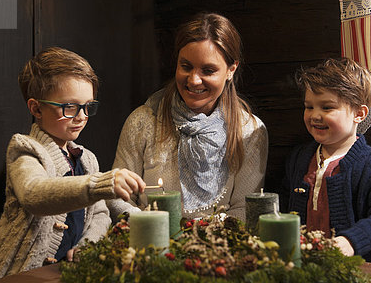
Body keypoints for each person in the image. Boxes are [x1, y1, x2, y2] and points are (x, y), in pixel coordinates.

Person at [0, 47, 145, 283]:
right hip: (14, 278)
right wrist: (102, 183)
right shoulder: (26, 150)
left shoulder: (87, 159)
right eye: (69, 107)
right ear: (36, 108)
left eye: (88, 106)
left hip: (58, 280)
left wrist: (87, 244)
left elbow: (100, 213)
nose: (81, 116)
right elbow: (35, 193)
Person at [110, 13, 268, 221]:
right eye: (186, 66)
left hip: (220, 248)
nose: (194, 80)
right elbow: (117, 196)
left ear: (231, 69)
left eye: (208, 70)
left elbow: (244, 208)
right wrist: (151, 229)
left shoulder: (249, 131)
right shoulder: (144, 121)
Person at [281, 57, 371, 265]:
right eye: (309, 107)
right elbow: (285, 203)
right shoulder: (300, 158)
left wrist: (350, 241)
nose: (315, 115)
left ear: (359, 113)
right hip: (304, 266)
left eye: (327, 108)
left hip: (357, 271)